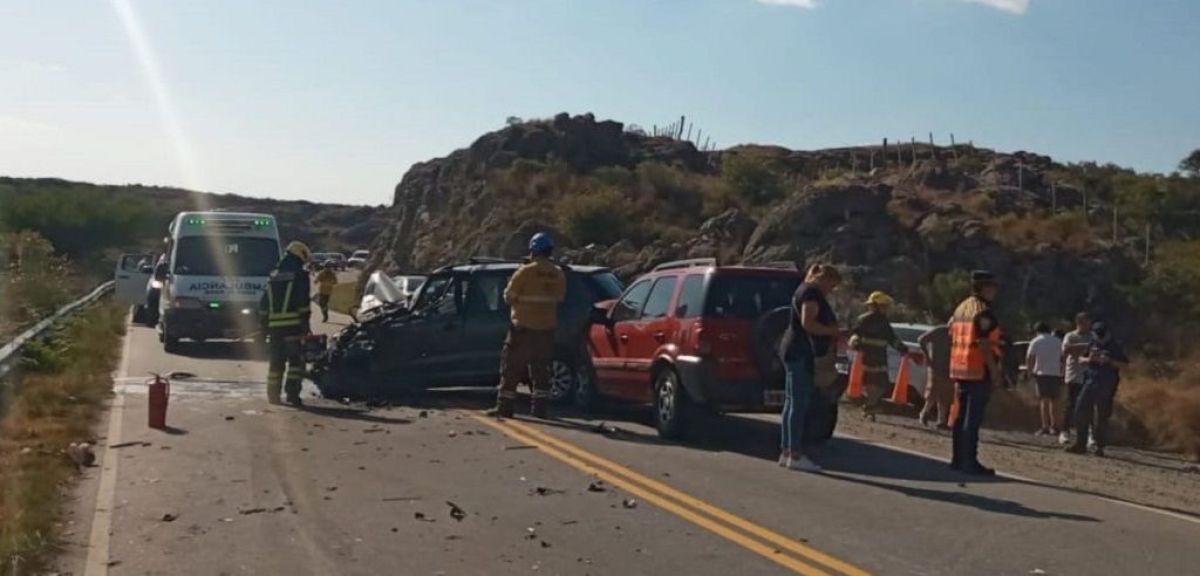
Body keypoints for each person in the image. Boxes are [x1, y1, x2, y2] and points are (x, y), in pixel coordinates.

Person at [490, 232, 566, 419]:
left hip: (522, 328)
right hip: (546, 330)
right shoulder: (558, 273)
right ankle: (540, 410)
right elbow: (560, 297)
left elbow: (508, 296)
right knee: (541, 371)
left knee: (510, 368)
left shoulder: (525, 271)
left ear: (533, 250)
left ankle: (504, 408)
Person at [777, 264, 842, 473]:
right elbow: (808, 323)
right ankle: (795, 453)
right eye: (831, 285)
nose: (830, 290)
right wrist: (831, 330)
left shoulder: (802, 289)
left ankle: (787, 450)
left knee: (791, 401)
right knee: (799, 402)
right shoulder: (811, 293)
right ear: (824, 279)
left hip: (792, 349)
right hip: (800, 351)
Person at [948, 270, 1003, 476]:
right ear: (983, 288)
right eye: (992, 287)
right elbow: (983, 344)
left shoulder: (961, 308)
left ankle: (957, 459)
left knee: (961, 417)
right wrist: (995, 370)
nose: (995, 291)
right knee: (973, 418)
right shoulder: (983, 312)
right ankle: (969, 461)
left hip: (960, 367)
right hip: (978, 369)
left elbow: (950, 330)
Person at [260, 241, 312, 406]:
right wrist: (305, 324)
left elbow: (263, 305)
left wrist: (263, 326)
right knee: (296, 362)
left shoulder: (273, 277)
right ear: (300, 257)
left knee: (276, 361)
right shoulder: (300, 275)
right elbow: (302, 303)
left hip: (274, 328)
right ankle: (292, 394)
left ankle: (273, 395)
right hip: (293, 326)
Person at [1066, 322, 1128, 457]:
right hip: (1090, 381)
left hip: (1107, 383)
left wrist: (1109, 361)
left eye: (1102, 335)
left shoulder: (1115, 345)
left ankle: (1099, 447)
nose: (1100, 338)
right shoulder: (1092, 342)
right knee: (1080, 410)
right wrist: (1089, 359)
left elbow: (1124, 364)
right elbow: (1081, 359)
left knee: (1102, 416)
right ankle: (1080, 444)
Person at [849, 291, 907, 421]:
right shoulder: (863, 320)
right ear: (875, 306)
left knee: (881, 384)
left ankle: (870, 405)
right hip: (867, 355)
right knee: (870, 383)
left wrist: (902, 348)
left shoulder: (884, 321)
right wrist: (856, 343)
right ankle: (870, 406)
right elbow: (854, 334)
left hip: (880, 356)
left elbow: (891, 338)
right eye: (883, 305)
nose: (886, 308)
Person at [1025, 322, 1064, 436]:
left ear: (1037, 331)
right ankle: (1055, 426)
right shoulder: (1057, 341)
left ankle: (1045, 426)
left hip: (1042, 373)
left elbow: (1030, 357)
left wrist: (1029, 371)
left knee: (1044, 401)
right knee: (1055, 401)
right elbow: (1063, 356)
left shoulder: (1036, 341)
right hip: (1055, 373)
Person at [1060, 313, 1093, 445]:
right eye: (1085, 322)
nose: (1088, 325)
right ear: (1078, 322)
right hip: (1073, 375)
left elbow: (1096, 349)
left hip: (1089, 376)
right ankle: (1065, 431)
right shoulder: (1070, 336)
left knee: (1089, 406)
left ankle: (1090, 434)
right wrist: (1085, 346)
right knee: (1070, 405)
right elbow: (1066, 350)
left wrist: (1079, 348)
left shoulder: (1092, 336)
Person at [917, 324, 953, 429]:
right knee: (933, 391)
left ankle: (941, 421)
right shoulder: (940, 331)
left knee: (946, 394)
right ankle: (924, 413)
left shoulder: (959, 334)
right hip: (935, 366)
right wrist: (927, 355)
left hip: (949, 368)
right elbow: (921, 339)